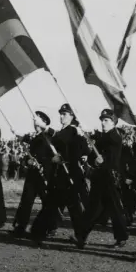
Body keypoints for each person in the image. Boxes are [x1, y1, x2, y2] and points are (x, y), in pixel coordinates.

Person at [30, 103, 89, 246]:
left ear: (72, 116)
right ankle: (38, 232)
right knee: (52, 203)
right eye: (61, 114)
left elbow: (63, 140)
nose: (61, 116)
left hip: (70, 173)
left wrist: (44, 127)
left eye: (65, 114)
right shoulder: (65, 131)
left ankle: (80, 236)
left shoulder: (73, 130)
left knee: (73, 207)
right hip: (60, 173)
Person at [80, 109, 129, 248]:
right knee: (92, 208)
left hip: (111, 178)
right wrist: (95, 161)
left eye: (106, 120)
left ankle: (121, 238)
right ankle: (81, 236)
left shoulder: (115, 136)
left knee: (115, 209)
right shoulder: (102, 137)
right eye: (102, 120)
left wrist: (103, 159)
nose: (103, 123)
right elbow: (92, 157)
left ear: (114, 123)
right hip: (99, 177)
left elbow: (112, 157)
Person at [11, 111, 56, 238]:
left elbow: (52, 154)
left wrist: (42, 164)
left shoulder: (49, 135)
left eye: (38, 119)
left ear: (44, 122)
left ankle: (51, 227)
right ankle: (21, 226)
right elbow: (29, 153)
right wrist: (28, 161)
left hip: (44, 173)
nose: (34, 121)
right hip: (32, 173)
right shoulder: (34, 137)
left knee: (47, 201)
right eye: (34, 119)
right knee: (26, 200)